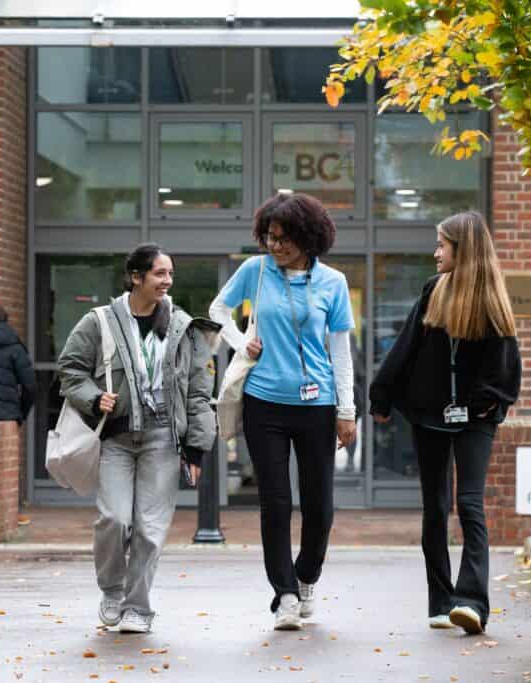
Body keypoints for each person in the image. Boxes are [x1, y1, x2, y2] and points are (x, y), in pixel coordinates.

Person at [369, 211, 521, 636]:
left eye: (442, 245)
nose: (436, 253)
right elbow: (406, 347)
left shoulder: (492, 299)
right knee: (435, 506)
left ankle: (472, 602)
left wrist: (489, 401)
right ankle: (440, 601)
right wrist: (382, 395)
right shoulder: (433, 289)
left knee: (469, 502)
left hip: (476, 417)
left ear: (463, 249)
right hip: (430, 413)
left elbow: (507, 363)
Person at [209, 192, 356, 631]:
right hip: (264, 402)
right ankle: (286, 594)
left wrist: (346, 409)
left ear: (308, 238)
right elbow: (218, 309)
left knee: (319, 505)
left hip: (317, 404)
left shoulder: (333, 283)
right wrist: (241, 342)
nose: (274, 246)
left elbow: (340, 352)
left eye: (284, 239)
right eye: (269, 237)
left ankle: (306, 576)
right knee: (275, 503)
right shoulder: (255, 272)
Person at [57, 244, 218, 634]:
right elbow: (70, 369)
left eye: (170, 274)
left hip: (162, 437)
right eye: (160, 273)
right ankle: (113, 590)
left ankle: (138, 608)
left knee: (149, 528)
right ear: (136, 277)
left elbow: (198, 391)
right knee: (113, 519)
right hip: (116, 438)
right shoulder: (99, 321)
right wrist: (94, 397)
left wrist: (196, 448)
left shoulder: (181, 326)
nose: (167, 281)